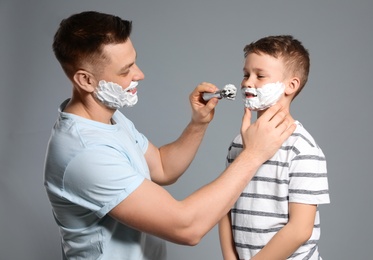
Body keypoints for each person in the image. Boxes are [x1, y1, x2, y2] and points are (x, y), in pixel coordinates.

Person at [43, 11, 296, 260]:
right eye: (125, 70)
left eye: (135, 62)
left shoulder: (108, 119)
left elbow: (163, 168)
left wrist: (197, 124)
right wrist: (253, 155)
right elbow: (186, 227)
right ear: (86, 80)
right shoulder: (85, 153)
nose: (139, 74)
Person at [218, 35, 330, 260]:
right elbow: (223, 205)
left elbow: (300, 229)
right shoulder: (239, 143)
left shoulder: (302, 149)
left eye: (259, 76)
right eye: (245, 74)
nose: (248, 82)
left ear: (291, 85)